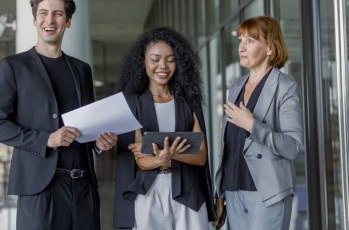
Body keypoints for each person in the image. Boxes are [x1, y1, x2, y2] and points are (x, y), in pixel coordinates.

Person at [0, 0, 116, 230]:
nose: (50, 19)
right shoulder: (13, 67)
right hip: (39, 189)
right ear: (35, 20)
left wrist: (99, 144)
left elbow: (87, 125)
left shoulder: (82, 70)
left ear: (68, 21)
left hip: (83, 187)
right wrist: (46, 139)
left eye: (58, 13)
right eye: (44, 13)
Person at [113, 27, 217, 230]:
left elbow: (201, 156)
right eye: (155, 59)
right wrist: (168, 154)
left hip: (188, 192)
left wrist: (166, 155)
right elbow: (141, 160)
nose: (163, 66)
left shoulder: (189, 101)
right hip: (149, 194)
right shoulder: (133, 103)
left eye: (170, 59)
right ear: (143, 61)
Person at [214, 16, 303, 230]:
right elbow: (230, 147)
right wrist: (220, 192)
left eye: (250, 41)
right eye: (240, 40)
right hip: (233, 191)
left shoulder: (285, 87)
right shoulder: (236, 87)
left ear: (270, 48)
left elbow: (293, 146)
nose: (242, 47)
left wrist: (253, 125)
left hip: (267, 193)